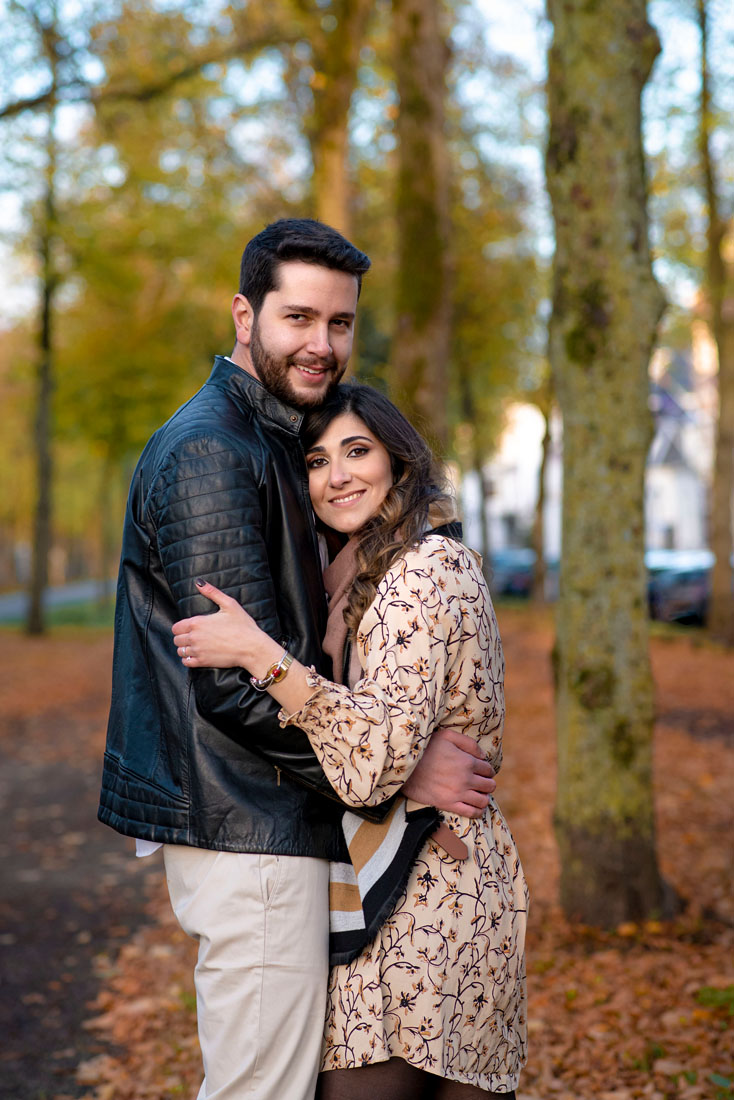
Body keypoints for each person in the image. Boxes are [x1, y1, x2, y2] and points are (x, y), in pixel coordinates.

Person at [98, 219, 497, 1100]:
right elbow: (234, 687)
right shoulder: (215, 449)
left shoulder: (272, 439)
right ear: (245, 316)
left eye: (340, 323)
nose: (322, 343)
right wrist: (399, 773)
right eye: (299, 318)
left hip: (272, 824)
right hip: (251, 826)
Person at [172, 383, 528, 1099]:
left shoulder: (422, 572)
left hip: (426, 896)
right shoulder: (360, 577)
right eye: (316, 460)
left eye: (357, 451)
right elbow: (389, 742)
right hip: (418, 883)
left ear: (398, 461)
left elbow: (371, 768)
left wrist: (261, 656)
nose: (337, 476)